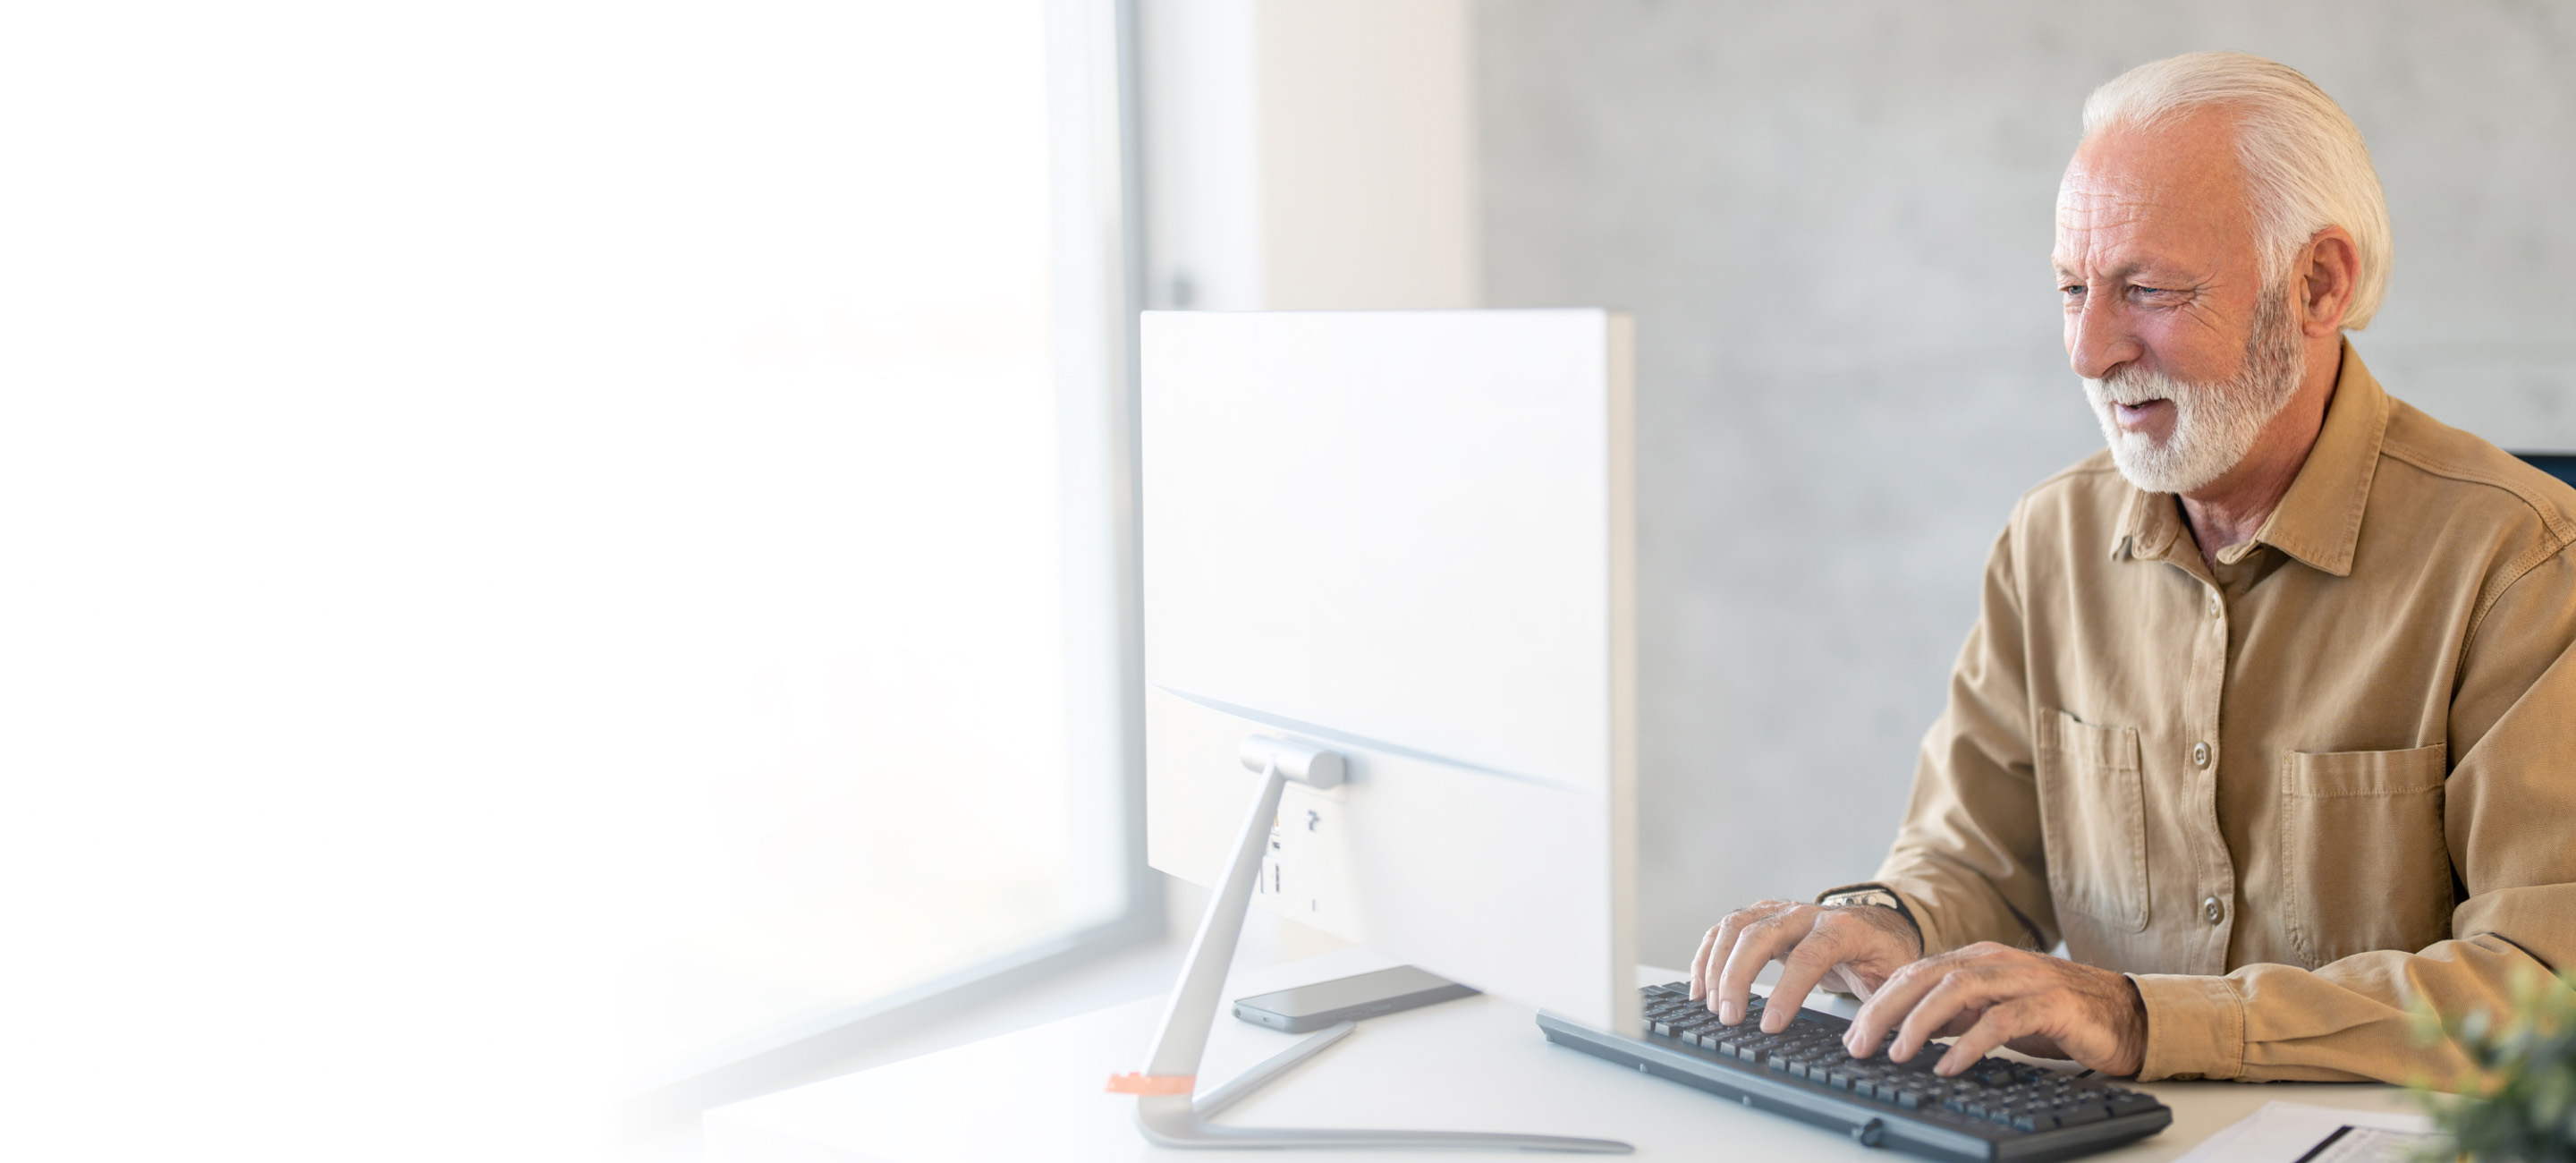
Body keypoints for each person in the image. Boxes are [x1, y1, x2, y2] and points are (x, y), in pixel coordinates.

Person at [1689, 51, 2576, 1085]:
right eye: (2072, 289)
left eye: (2146, 289)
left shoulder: (2522, 559)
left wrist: (2141, 1017)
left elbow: (2538, 987)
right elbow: (1970, 857)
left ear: (2318, 285)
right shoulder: (2049, 538)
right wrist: (1889, 922)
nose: (2089, 349)